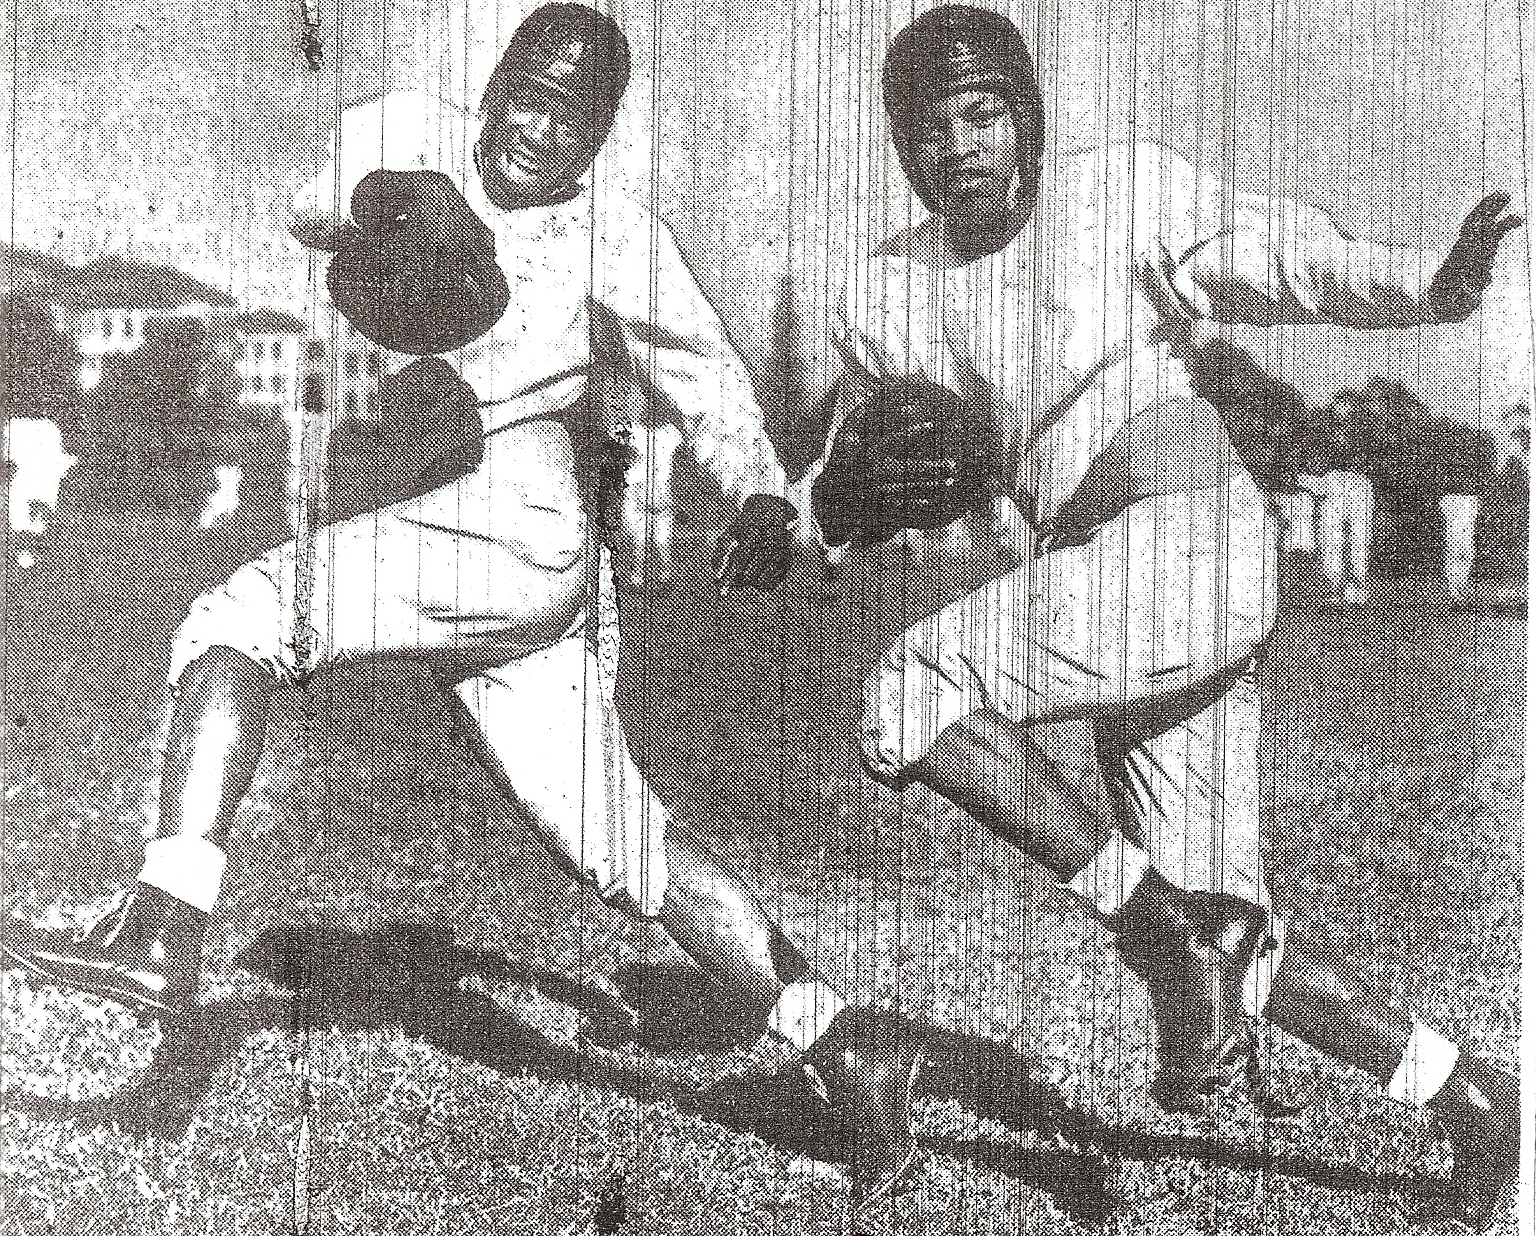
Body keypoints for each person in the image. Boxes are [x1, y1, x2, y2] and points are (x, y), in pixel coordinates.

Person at [1, 5, 923, 1219]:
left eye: (573, 112)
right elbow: (313, 206)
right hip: (494, 535)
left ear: (599, 133)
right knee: (622, 846)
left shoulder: (615, 235)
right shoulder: (409, 132)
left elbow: (704, 375)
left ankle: (164, 918)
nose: (541, 125)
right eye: (529, 93)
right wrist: (391, 200)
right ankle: (847, 1048)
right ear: (495, 86)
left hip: (520, 505)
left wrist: (755, 490)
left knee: (239, 615)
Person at [798, 7, 1521, 1227]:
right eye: (931, 131)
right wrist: (799, 520)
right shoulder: (884, 292)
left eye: (983, 114)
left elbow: (1278, 254)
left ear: (1027, 114)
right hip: (1109, 587)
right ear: (902, 149)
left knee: (907, 697)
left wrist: (1428, 289)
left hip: (1191, 541)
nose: (961, 148)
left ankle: (1161, 942)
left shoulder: (1119, 191)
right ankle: (1474, 1096)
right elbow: (850, 459)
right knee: (1225, 929)